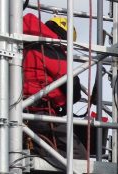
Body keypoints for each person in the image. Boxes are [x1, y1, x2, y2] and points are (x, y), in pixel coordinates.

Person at [22, 13, 88, 160]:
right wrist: (68, 102)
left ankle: (32, 152)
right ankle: (35, 155)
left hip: (19, 112)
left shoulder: (23, 44)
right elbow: (72, 85)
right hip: (40, 114)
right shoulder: (52, 48)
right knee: (79, 158)